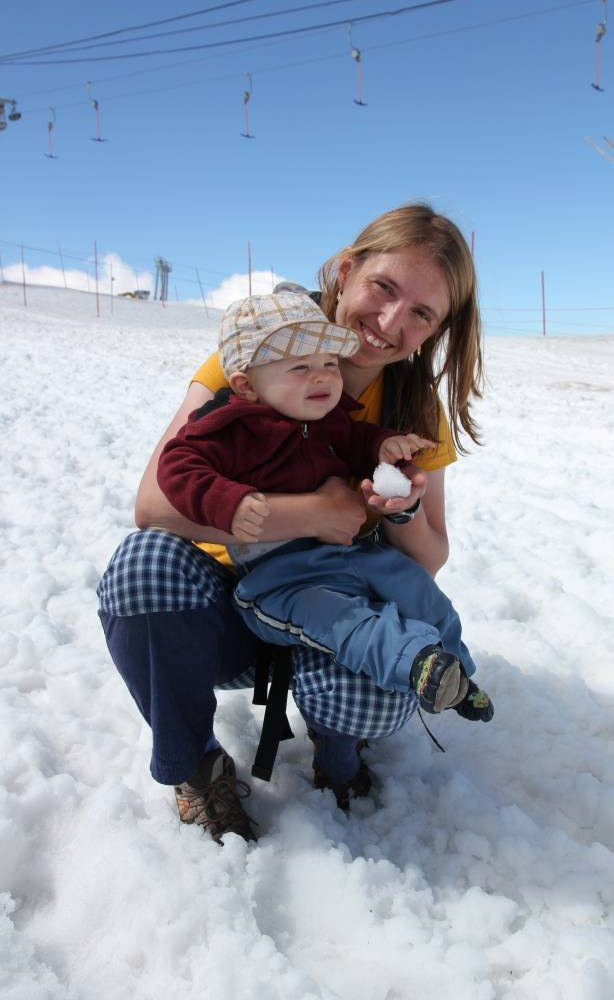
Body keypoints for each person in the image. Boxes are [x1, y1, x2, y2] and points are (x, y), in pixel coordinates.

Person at [97, 202, 486, 845]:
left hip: (332, 610)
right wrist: (312, 514)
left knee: (378, 690)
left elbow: (427, 560)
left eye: (422, 312)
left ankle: (338, 742)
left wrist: (403, 508)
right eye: (383, 287)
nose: (391, 322)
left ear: (438, 328)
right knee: (142, 567)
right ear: (346, 270)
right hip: (222, 611)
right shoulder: (254, 357)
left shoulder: (413, 409)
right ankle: (196, 767)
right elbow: (153, 504)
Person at [157, 291, 494, 720]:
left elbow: (357, 441)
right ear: (246, 385)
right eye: (300, 367)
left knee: (414, 585)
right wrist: (230, 502)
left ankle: (458, 672)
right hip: (278, 577)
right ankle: (416, 664)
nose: (322, 377)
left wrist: (384, 446)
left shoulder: (327, 420)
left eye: (330, 364)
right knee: (341, 619)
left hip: (347, 554)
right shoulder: (228, 429)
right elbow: (177, 465)